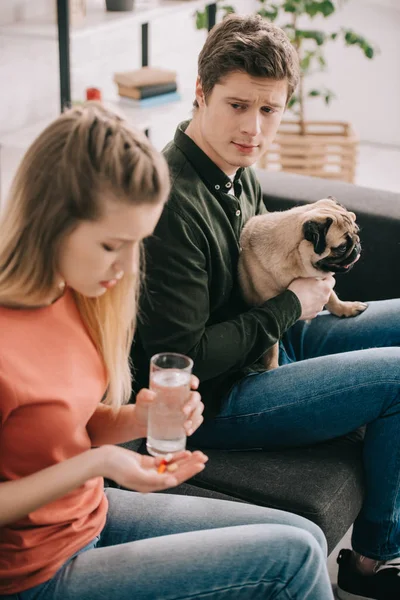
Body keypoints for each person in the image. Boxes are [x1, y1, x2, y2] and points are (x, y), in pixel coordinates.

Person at [0, 102, 334, 600]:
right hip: (35, 575)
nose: (127, 267)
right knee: (295, 560)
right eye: (113, 244)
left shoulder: (74, 298)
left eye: (137, 243)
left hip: (88, 517)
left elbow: (73, 424)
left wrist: (139, 420)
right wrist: (101, 465)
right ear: (53, 222)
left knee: (306, 534)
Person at [132, 14, 400, 600]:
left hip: (274, 342)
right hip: (220, 397)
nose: (254, 128)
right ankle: (376, 560)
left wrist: (311, 285)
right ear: (200, 94)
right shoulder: (170, 204)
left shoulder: (236, 172)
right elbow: (185, 360)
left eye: (270, 110)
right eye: (237, 105)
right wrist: (289, 306)